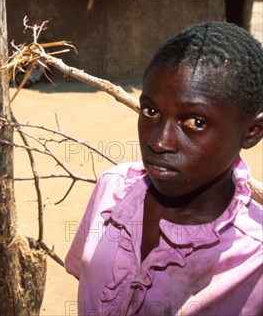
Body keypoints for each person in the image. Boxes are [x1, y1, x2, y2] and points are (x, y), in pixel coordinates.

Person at [65, 22, 263, 316]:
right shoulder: (112, 191)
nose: (159, 142)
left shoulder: (254, 260)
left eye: (195, 122)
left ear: (252, 131)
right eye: (151, 111)